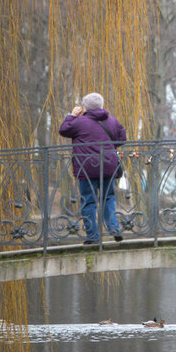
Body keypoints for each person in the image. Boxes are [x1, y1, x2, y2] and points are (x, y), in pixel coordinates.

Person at [59, 92, 127, 244]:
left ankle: (93, 236)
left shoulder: (79, 122)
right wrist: (108, 148)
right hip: (108, 166)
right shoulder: (112, 121)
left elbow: (63, 130)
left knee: (89, 201)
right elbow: (122, 138)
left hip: (86, 168)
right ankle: (114, 228)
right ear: (101, 105)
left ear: (85, 107)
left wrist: (71, 115)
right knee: (108, 197)